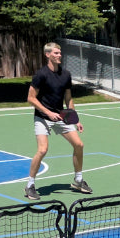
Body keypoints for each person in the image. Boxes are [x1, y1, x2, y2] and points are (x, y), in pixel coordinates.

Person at [24, 42, 92, 200]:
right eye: (55, 53)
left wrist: (74, 119)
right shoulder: (41, 75)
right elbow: (30, 98)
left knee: (79, 144)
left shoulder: (66, 74)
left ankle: (78, 180)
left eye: (60, 53)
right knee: (42, 150)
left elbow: (68, 98)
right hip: (42, 117)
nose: (59, 55)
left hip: (61, 116)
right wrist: (47, 112)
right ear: (47, 55)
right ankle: (30, 185)